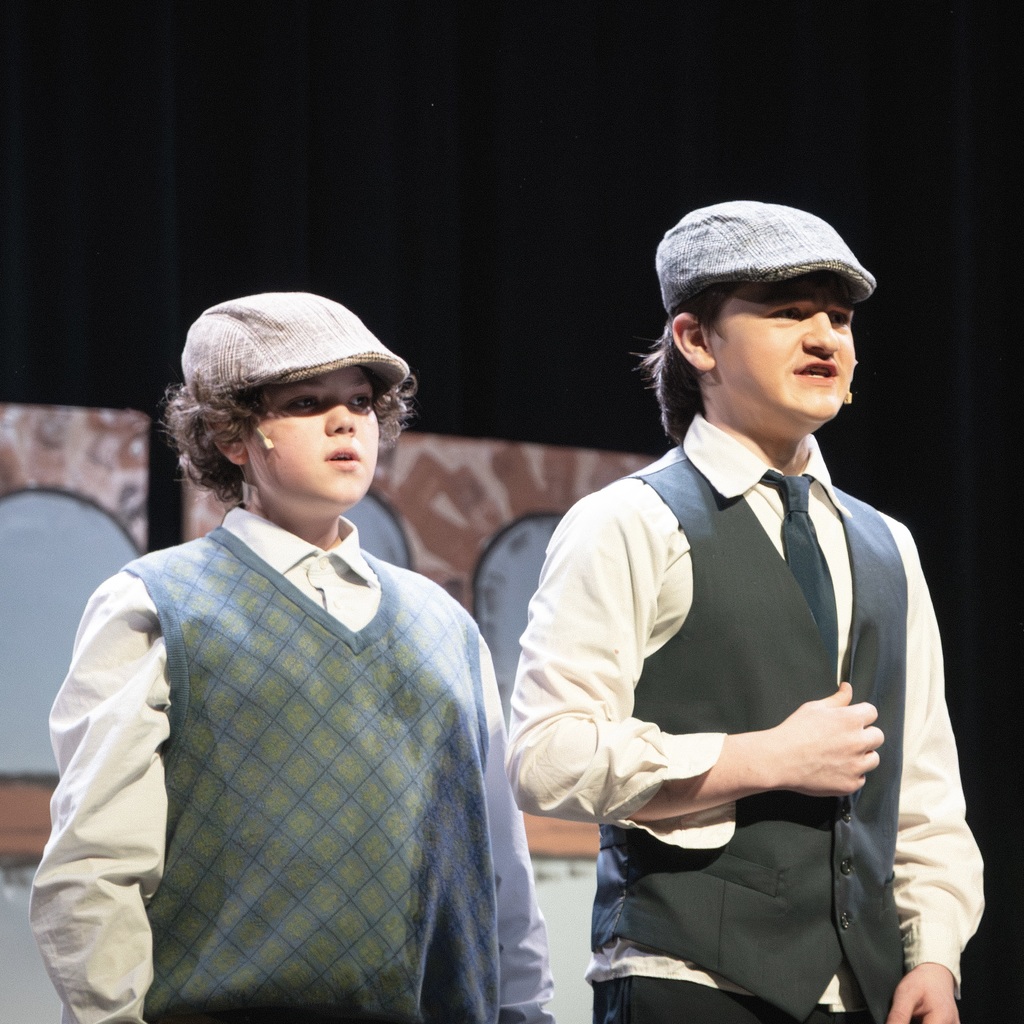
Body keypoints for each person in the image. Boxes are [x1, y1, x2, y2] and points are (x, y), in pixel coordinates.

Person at [506, 201, 983, 1024]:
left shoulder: (886, 544)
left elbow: (925, 788)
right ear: (696, 341)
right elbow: (547, 757)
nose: (827, 338)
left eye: (838, 317)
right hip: (687, 982)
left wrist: (934, 953)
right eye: (789, 313)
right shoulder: (631, 520)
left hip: (866, 994)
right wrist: (761, 758)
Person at [31, 291, 555, 1024]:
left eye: (362, 402)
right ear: (232, 434)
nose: (347, 421)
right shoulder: (160, 604)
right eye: (307, 402)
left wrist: (527, 1011)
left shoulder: (445, 624)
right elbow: (95, 866)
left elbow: (498, 863)